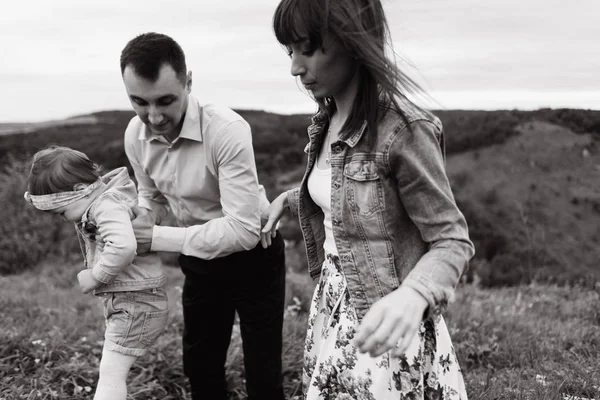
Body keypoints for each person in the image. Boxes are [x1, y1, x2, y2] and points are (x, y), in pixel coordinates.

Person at [260, 0, 475, 398]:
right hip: (333, 303)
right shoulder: (325, 121)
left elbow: (452, 239)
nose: (295, 68)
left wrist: (414, 296)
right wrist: (291, 199)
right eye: (290, 52)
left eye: (307, 49)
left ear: (353, 39)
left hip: (385, 312)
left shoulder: (404, 129)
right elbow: (346, 191)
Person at [119, 32, 286, 400]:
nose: (154, 116)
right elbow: (152, 196)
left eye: (165, 100)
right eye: (139, 102)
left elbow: (242, 230)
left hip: (255, 256)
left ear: (188, 82)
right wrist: (141, 218)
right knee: (201, 364)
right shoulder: (135, 134)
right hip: (198, 257)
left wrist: (156, 238)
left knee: (262, 369)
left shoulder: (226, 130)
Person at [23, 145, 169, 400]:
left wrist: (96, 275)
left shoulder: (107, 206)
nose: (65, 219)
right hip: (133, 300)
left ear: (80, 191)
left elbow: (123, 247)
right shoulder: (106, 201)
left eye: (61, 212)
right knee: (111, 370)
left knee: (111, 374)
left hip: (137, 302)